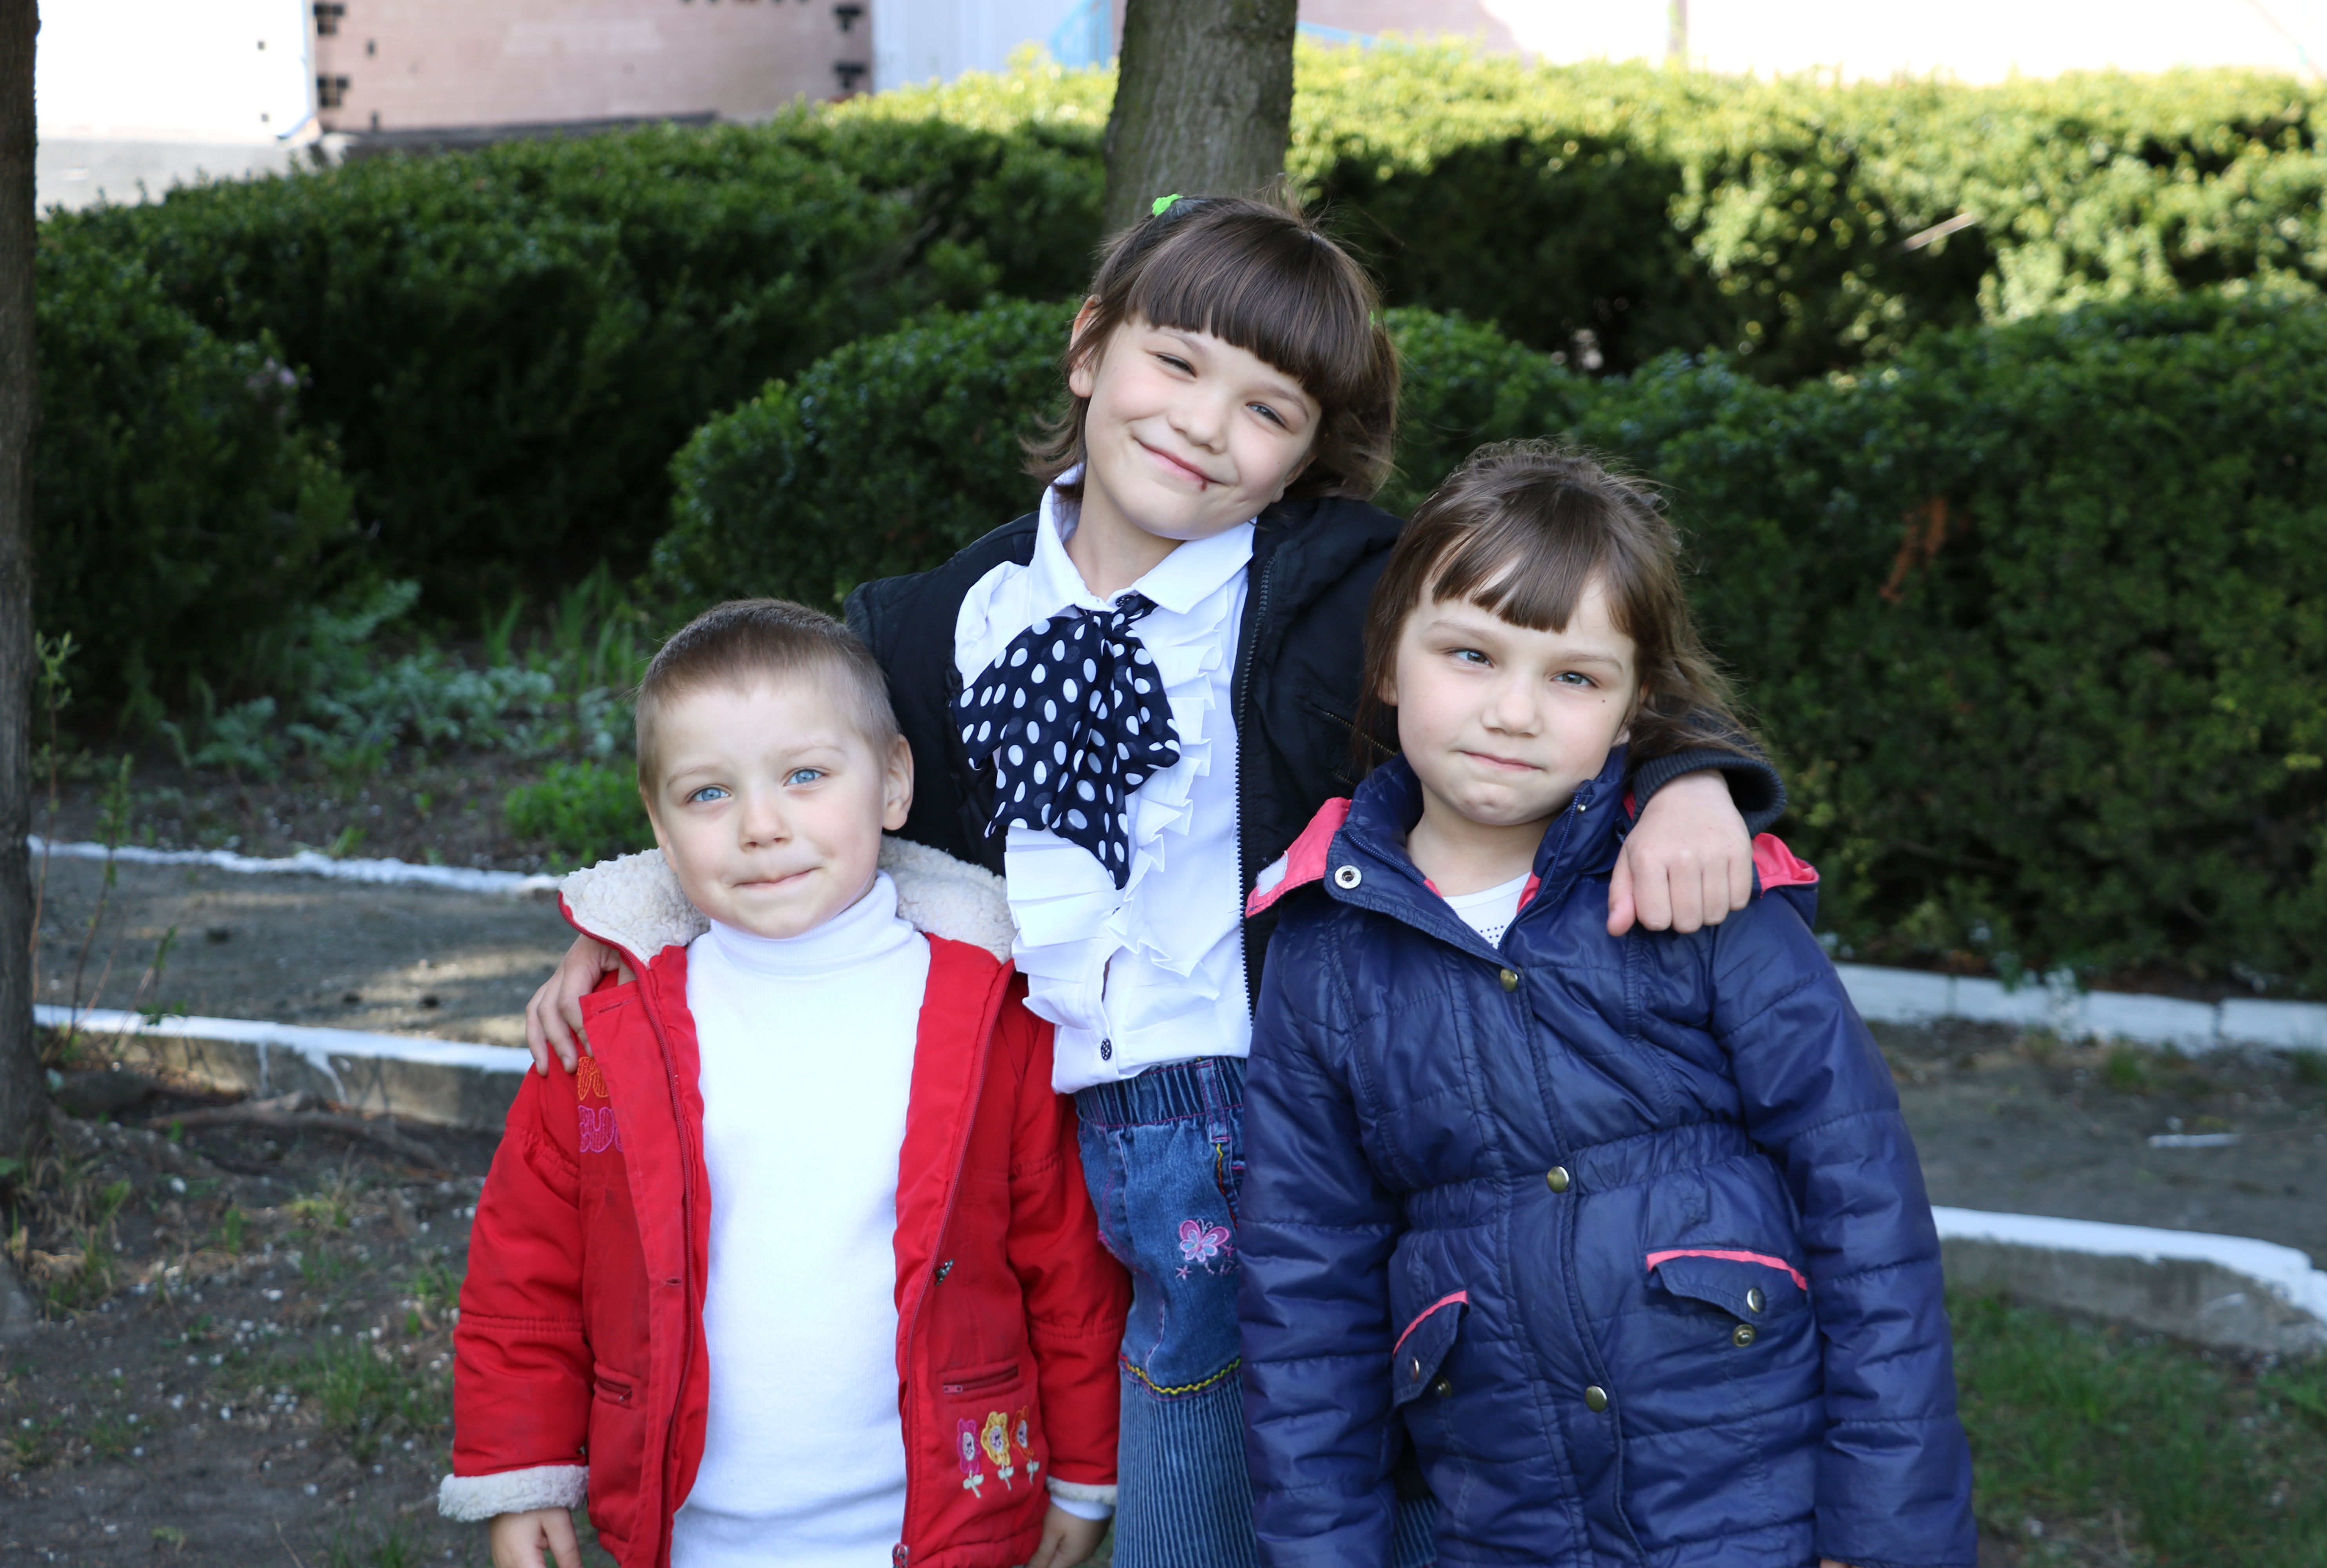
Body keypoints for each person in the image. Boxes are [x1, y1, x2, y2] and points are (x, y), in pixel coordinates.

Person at [523, 198, 1788, 1566]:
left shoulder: (1349, 592)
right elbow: (793, 787)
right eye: (1175, 363)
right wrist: (636, 919)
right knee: (1146, 1464)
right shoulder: (935, 623)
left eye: (1267, 409)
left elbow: (1552, 675)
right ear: (1089, 349)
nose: (1201, 425)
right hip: (1054, 1141)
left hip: (1306, 1113)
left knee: (1405, 1447)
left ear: (1310, 452)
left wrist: (1690, 780)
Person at [1237, 442, 1975, 1568]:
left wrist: (1885, 1532)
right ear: (1387, 661)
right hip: (1514, 1526)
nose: (1514, 712)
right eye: (1472, 654)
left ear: (1634, 712)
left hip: (1764, 1512)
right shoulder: (1321, 952)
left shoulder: (1701, 891)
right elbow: (1306, 1296)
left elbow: (1866, 1213)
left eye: (1574, 678)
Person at [441, 600, 1127, 1568]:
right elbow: (527, 1267)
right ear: (659, 824)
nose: (761, 826)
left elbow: (1064, 1257)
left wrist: (1086, 1466)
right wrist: (523, 1469)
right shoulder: (609, 1033)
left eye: (806, 776)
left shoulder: (990, 1014)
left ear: (893, 782)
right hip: (697, 1529)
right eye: (708, 793)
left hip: (941, 1521)